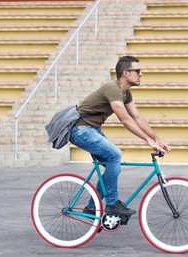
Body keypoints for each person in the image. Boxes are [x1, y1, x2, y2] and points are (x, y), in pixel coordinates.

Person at [70, 55, 171, 216]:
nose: (141, 74)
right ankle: (112, 204)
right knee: (115, 155)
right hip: (80, 129)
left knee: (113, 168)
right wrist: (148, 140)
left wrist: (157, 138)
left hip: (92, 129)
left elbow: (137, 117)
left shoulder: (126, 94)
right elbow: (125, 119)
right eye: (137, 71)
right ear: (125, 73)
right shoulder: (113, 88)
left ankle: (91, 208)